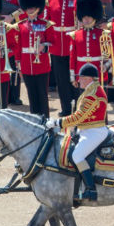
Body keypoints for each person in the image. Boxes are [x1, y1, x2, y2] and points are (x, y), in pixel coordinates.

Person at [46, 64, 108, 201]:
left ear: (89, 78)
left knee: (77, 156)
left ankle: (91, 189)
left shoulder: (93, 94)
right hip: (87, 129)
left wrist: (58, 122)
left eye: (82, 78)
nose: (79, 80)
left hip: (94, 131)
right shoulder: (91, 90)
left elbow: (79, 117)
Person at [15, 0, 54, 118]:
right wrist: (18, 64)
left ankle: (46, 122)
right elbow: (18, 47)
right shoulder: (20, 26)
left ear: (38, 7)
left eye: (33, 7)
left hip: (42, 65)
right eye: (28, 7)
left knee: (42, 96)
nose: (30, 9)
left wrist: (44, 47)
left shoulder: (46, 24)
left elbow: (52, 42)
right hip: (26, 65)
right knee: (31, 96)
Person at [45, 0, 78, 117]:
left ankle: (77, 107)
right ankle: (66, 108)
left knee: (74, 78)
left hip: (73, 44)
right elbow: (47, 22)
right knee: (61, 79)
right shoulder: (51, 0)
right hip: (57, 45)